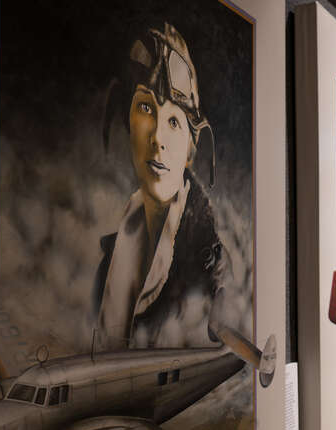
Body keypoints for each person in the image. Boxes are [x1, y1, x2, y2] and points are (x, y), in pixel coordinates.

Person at [93, 23, 232, 349]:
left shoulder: (210, 267)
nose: (157, 138)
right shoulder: (114, 253)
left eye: (173, 121)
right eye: (145, 109)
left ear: (190, 147)